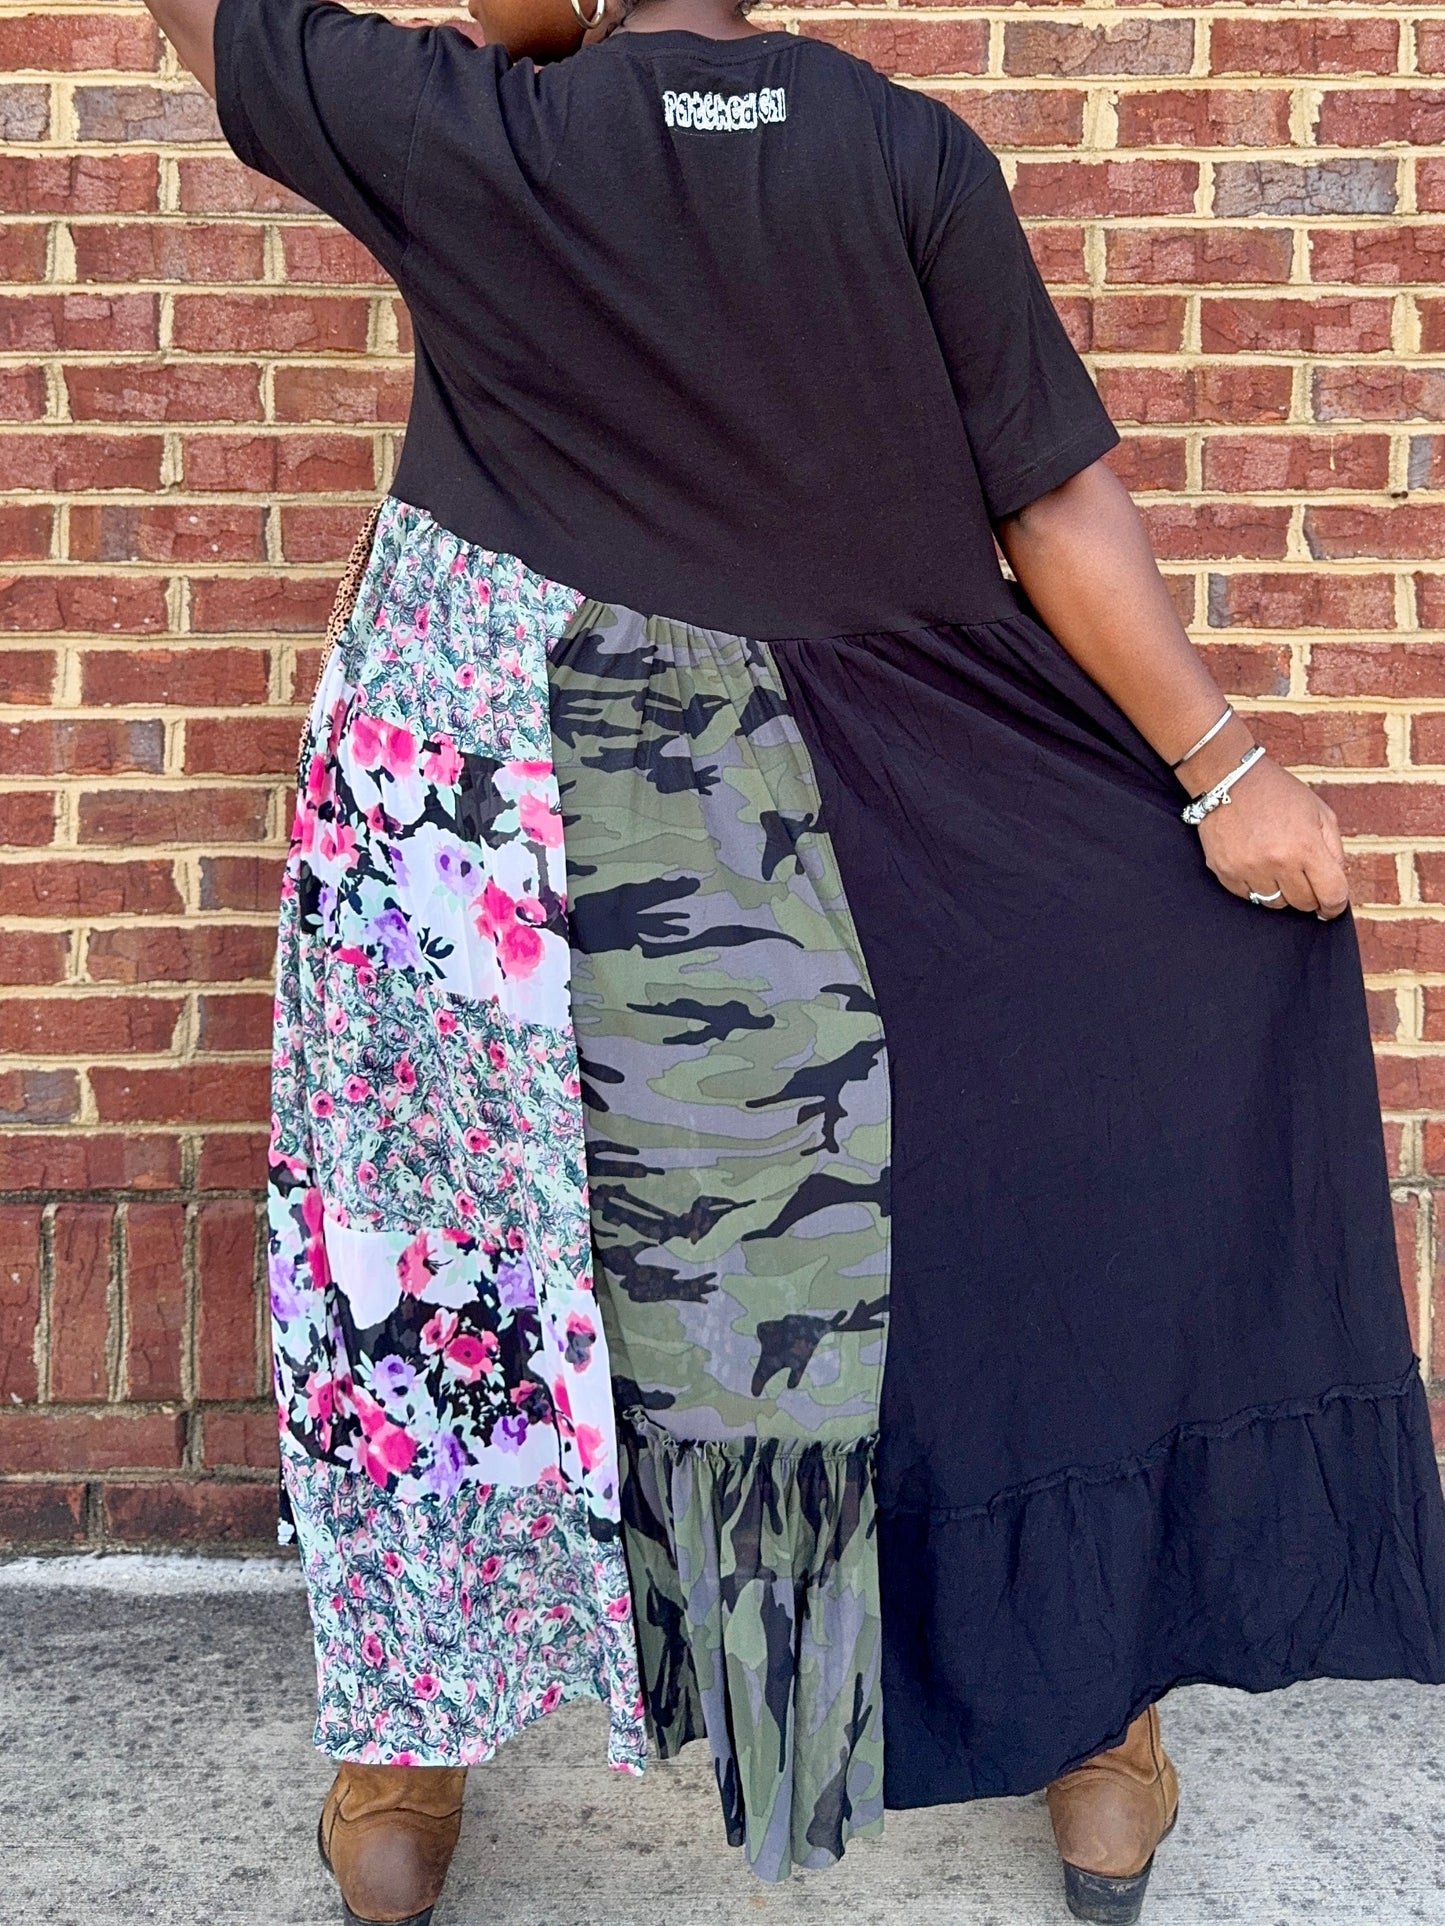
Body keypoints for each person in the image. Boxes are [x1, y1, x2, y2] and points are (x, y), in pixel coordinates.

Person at [140, 0, 1445, 1921]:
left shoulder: (458, 122)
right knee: (993, 1224)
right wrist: (1224, 768)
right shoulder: (901, 149)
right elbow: (1050, 495)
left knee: (451, 1255)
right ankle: (1096, 1721)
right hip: (882, 799)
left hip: (516, 827)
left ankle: (406, 1760)